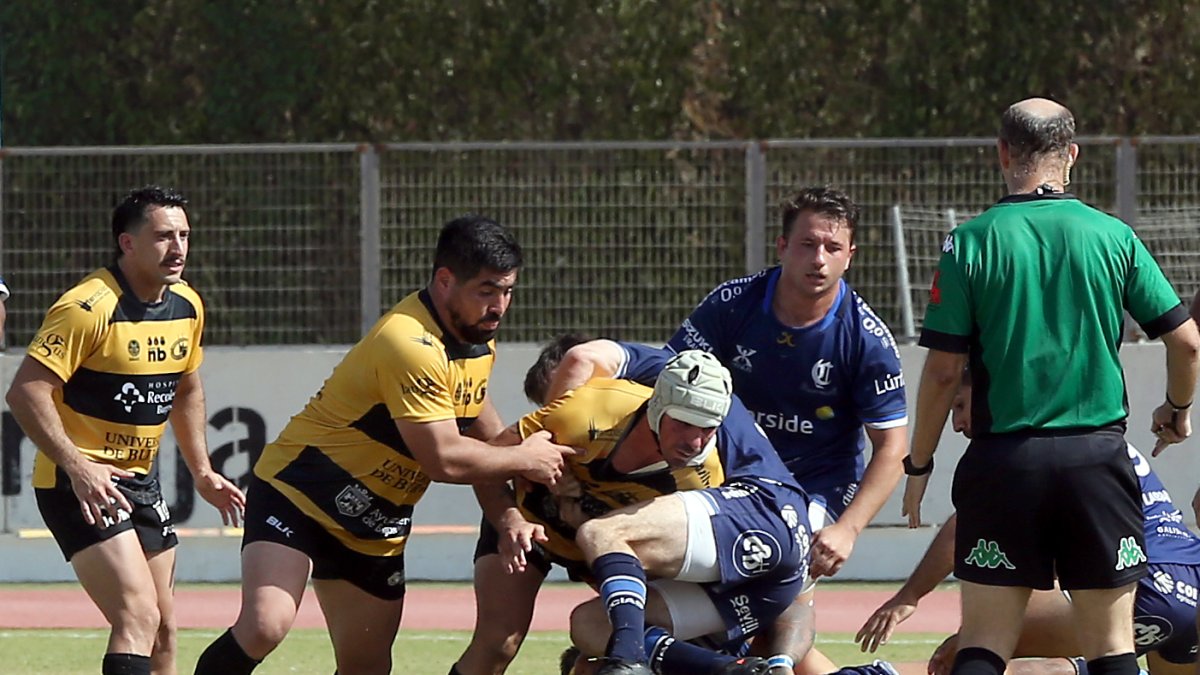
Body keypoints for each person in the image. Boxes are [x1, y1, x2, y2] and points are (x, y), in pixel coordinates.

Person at [194, 215, 577, 675]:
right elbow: (445, 459)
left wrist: (509, 516)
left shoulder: (476, 341)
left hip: (376, 524)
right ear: (444, 280)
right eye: (486, 291)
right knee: (265, 624)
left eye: (508, 291)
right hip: (298, 495)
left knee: (367, 669)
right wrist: (526, 458)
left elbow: (484, 441)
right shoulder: (409, 343)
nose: (499, 306)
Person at [552, 186, 910, 674]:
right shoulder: (734, 303)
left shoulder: (865, 338)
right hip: (726, 476)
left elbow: (893, 447)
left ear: (851, 256)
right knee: (618, 623)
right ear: (782, 246)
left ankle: (733, 659)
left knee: (783, 589)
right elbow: (676, 376)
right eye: (807, 244)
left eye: (832, 247)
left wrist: (847, 529)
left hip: (811, 488)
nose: (818, 259)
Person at [901, 97, 1200, 675]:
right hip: (1098, 461)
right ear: (1073, 155)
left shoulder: (970, 242)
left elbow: (942, 371)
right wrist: (1177, 407)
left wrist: (920, 465)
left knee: (983, 642)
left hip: (1005, 462)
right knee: (1111, 646)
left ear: (1002, 153)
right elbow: (1186, 342)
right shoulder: (1113, 236)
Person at [455, 336, 817, 675]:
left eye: (707, 428)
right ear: (657, 405)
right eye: (684, 423)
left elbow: (652, 559)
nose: (694, 442)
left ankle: (637, 661)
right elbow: (487, 464)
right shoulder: (586, 412)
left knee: (598, 619)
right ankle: (669, 663)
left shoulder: (702, 476)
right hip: (531, 521)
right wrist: (514, 511)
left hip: (602, 547)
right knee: (521, 638)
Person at [4, 186, 246, 675]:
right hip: (80, 485)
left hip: (140, 481)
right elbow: (26, 392)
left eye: (184, 235)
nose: (177, 248)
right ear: (127, 243)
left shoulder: (187, 304)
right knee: (137, 617)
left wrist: (202, 472)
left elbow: (186, 389)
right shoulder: (87, 307)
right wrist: (79, 468)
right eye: (163, 236)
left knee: (164, 632)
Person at [858, 371, 1200, 675]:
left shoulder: (1026, 444)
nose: (957, 424)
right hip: (1192, 585)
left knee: (981, 643)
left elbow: (965, 529)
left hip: (1139, 583)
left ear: (989, 391)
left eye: (960, 406)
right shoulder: (1096, 434)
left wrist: (909, 596)